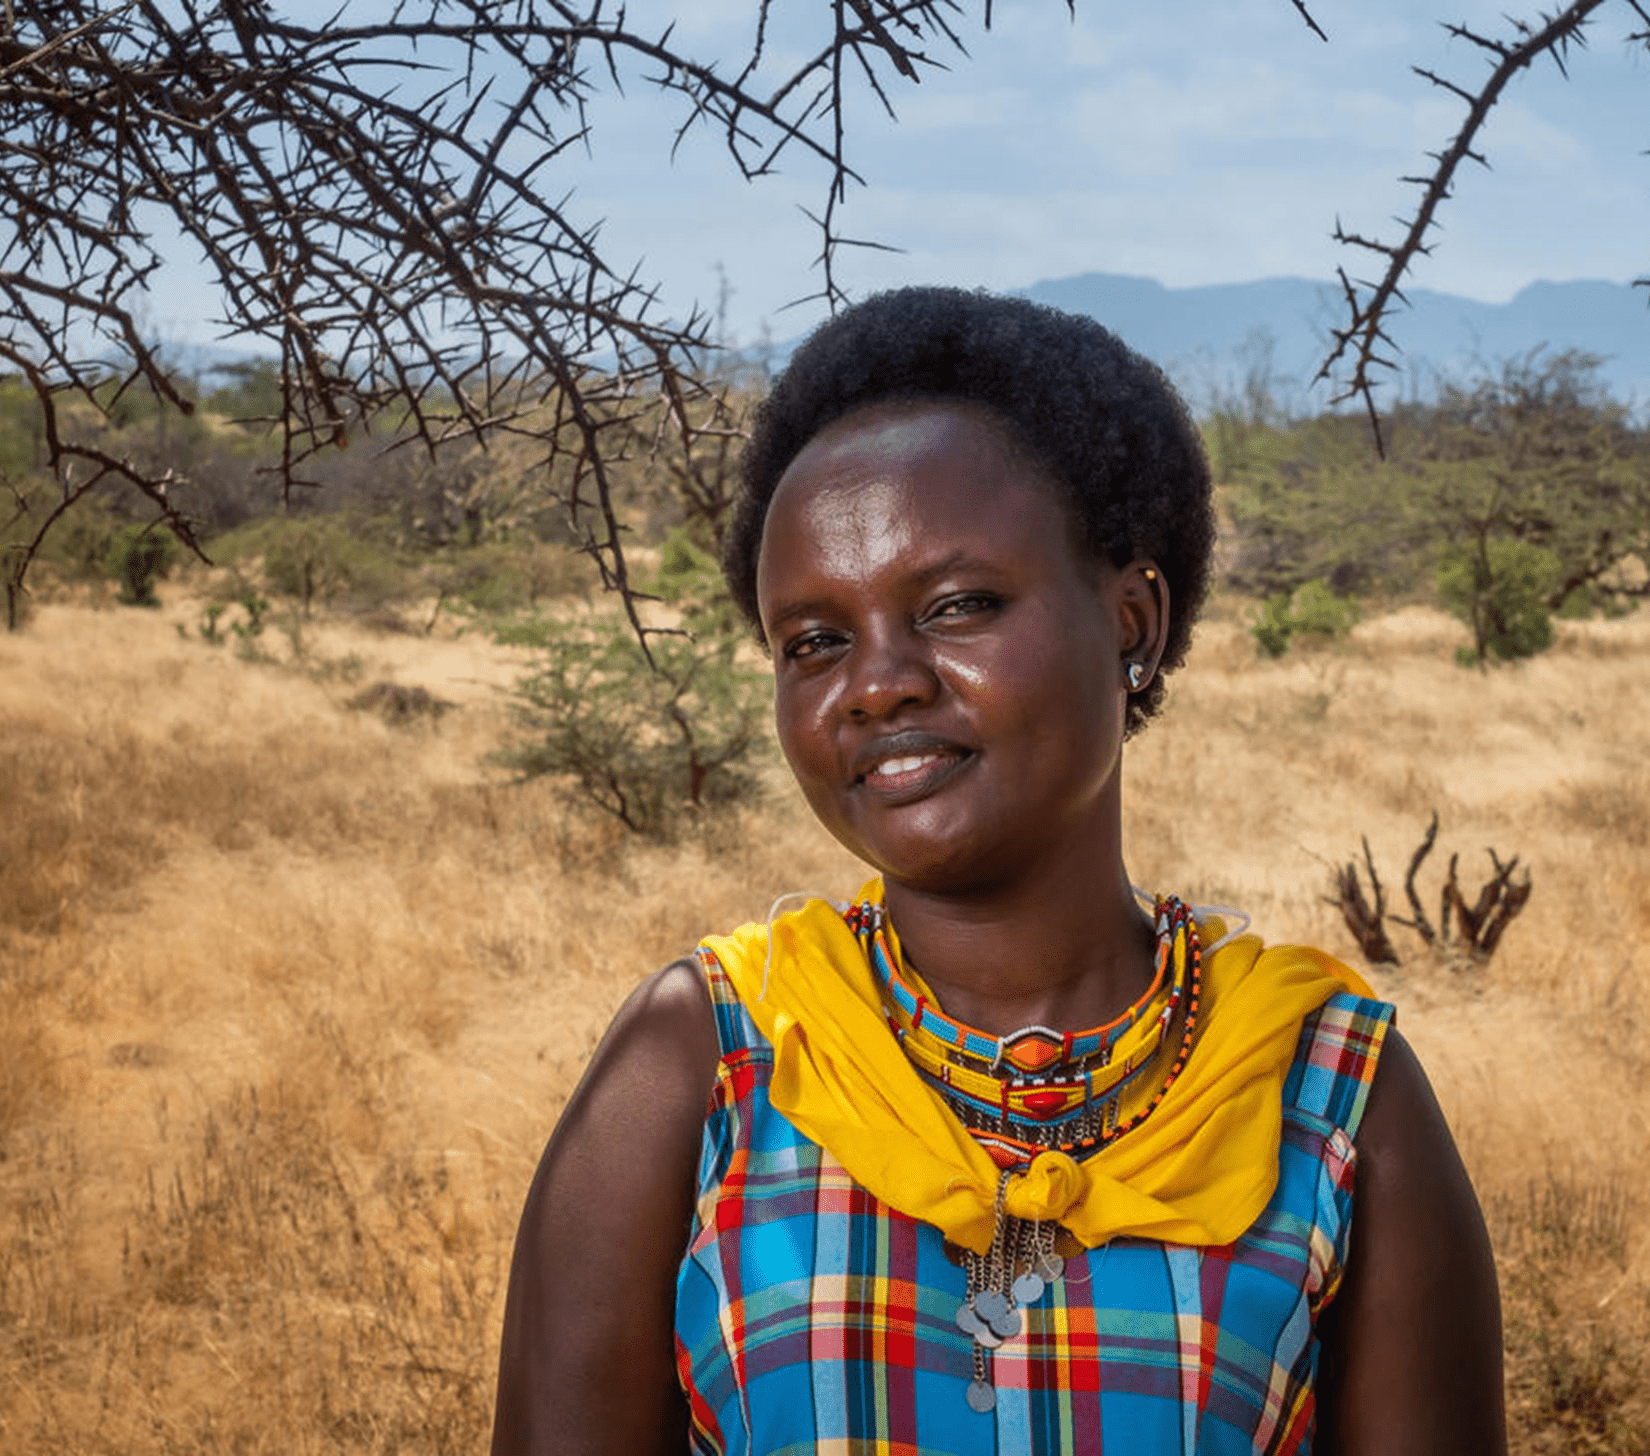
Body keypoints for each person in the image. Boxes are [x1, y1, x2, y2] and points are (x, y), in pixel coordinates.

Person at [490, 287, 1506, 1454]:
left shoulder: (1325, 1088)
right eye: (813, 641)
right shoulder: (705, 1064)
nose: (876, 683)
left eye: (957, 605)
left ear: (1131, 620)